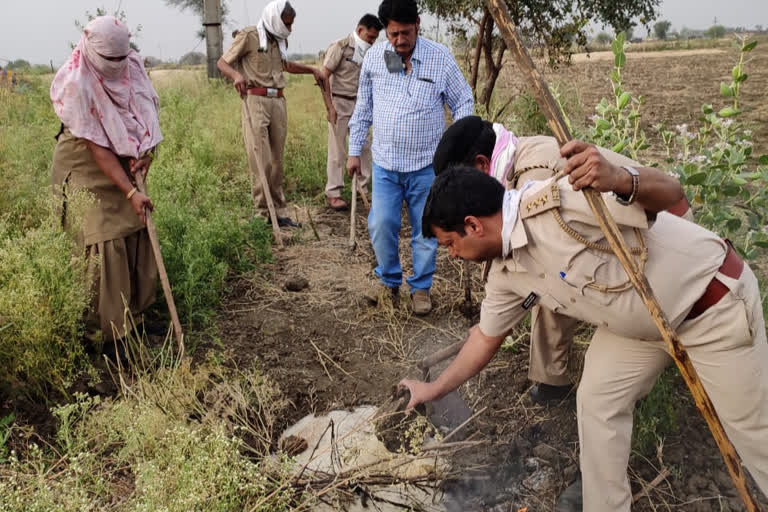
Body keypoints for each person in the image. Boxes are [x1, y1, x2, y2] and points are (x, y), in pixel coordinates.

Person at [401, 142, 768, 511]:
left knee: (752, 432)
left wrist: (621, 179)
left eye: (450, 244)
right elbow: (484, 338)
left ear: (473, 225)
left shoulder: (561, 201)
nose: (453, 255)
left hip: (710, 307)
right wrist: (432, 389)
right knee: (597, 403)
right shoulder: (505, 272)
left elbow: (672, 191)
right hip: (640, 329)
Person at [432, 116, 694, 404]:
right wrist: (492, 321)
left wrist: (495, 323)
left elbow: (536, 263)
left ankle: (554, 381)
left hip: (660, 226)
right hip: (625, 232)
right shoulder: (512, 163)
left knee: (552, 281)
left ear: (482, 165)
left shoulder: (535, 173)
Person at [348, 0, 473, 315]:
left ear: (418, 24)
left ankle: (421, 288)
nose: (399, 41)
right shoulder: (377, 57)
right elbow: (363, 106)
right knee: (381, 224)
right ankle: (389, 281)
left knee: (425, 229)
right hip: (386, 163)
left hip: (426, 165)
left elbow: (463, 101)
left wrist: (459, 146)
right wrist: (353, 150)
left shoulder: (439, 57)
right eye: (392, 34)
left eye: (405, 32)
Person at [50, 16, 161, 355]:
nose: (117, 66)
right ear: (93, 51)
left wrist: (147, 154)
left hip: (121, 156)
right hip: (84, 161)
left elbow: (146, 113)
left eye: (121, 58)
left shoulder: (134, 66)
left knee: (133, 232)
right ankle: (109, 336)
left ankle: (135, 318)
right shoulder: (76, 82)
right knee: (105, 239)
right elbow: (97, 145)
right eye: (109, 60)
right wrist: (130, 192)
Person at [217, 0, 326, 227]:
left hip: (278, 101)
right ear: (276, 19)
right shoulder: (249, 35)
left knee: (277, 160)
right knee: (260, 159)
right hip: (255, 99)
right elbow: (222, 62)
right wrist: (236, 77)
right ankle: (261, 213)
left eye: (291, 24)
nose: (290, 28)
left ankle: (279, 211)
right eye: (287, 23)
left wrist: (311, 70)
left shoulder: (279, 39)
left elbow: (285, 65)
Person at [320, 14, 382, 212]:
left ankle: (361, 187)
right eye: (370, 37)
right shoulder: (340, 46)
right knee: (337, 150)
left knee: (364, 147)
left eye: (375, 38)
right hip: (340, 102)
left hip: (361, 105)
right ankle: (334, 192)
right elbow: (323, 76)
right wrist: (330, 107)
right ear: (360, 30)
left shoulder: (372, 52)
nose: (372, 41)